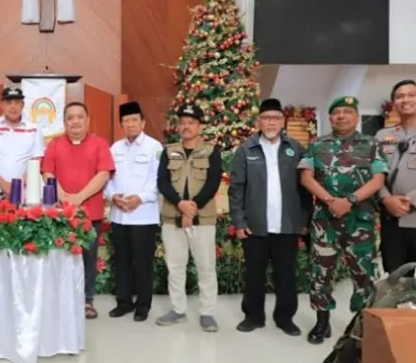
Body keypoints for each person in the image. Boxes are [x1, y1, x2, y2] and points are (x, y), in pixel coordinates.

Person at [298, 96, 387, 344]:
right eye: (336, 112)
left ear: (356, 116)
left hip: (360, 220)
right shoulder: (317, 145)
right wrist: (330, 200)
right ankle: (322, 323)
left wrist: (349, 201)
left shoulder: (370, 144)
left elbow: (378, 180)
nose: (341, 116)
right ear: (330, 118)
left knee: (364, 274)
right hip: (324, 222)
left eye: (347, 112)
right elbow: (307, 178)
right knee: (320, 274)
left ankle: (362, 325)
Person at [228, 98, 311, 336]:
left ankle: (285, 318)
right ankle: (253, 317)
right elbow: (236, 189)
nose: (270, 122)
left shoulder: (295, 148)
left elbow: (306, 187)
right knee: (254, 274)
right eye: (266, 118)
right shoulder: (246, 150)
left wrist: (304, 220)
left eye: (275, 118)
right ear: (259, 121)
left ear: (282, 121)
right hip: (255, 226)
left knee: (286, 274)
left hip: (287, 224)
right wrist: (240, 222)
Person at [41, 101, 115, 319]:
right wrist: (63, 196)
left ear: (87, 120)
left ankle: (87, 301)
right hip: (61, 214)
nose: (75, 121)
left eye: (79, 117)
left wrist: (80, 197)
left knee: (87, 259)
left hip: (89, 214)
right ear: (64, 122)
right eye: (70, 117)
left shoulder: (99, 143)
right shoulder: (54, 145)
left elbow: (103, 174)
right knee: (61, 257)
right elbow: (47, 172)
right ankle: (60, 300)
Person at [156, 103, 222, 332]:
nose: (186, 126)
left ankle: (207, 313)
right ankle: (178, 310)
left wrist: (191, 209)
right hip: (172, 217)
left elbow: (213, 183)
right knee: (175, 267)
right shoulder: (168, 151)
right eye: (182, 122)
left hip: (202, 219)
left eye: (191, 122)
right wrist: (180, 204)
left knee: (206, 267)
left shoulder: (212, 151)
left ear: (200, 126)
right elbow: (162, 182)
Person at [104, 101, 162, 322]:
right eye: (126, 121)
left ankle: (143, 305)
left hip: (144, 215)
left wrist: (141, 198)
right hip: (119, 215)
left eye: (134, 120)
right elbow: (107, 179)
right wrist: (113, 197)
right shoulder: (114, 148)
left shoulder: (154, 147)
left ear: (143, 122)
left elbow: (158, 180)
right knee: (122, 261)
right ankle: (124, 302)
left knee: (143, 261)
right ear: (121, 124)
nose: (130, 124)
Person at [0, 85, 45, 204]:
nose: (13, 106)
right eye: (8, 102)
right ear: (1, 105)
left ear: (22, 105)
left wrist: (16, 188)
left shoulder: (34, 129)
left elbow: (37, 162)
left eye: (17, 102)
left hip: (25, 195)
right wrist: (4, 185)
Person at [376, 80, 416, 274]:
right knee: (396, 280)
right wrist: (386, 198)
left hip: (414, 215)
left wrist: (411, 200)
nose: (405, 100)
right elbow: (373, 172)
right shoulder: (383, 136)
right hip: (391, 220)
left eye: (411, 95)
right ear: (393, 103)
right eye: (399, 96)